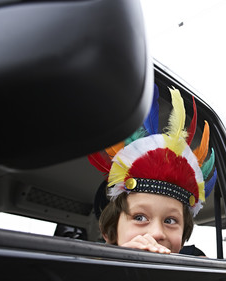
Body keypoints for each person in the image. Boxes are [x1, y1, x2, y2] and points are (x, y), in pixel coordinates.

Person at [88, 84, 217, 256]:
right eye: (139, 217)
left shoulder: (194, 271)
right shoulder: (94, 272)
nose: (156, 233)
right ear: (110, 232)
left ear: (184, 233)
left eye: (171, 220)